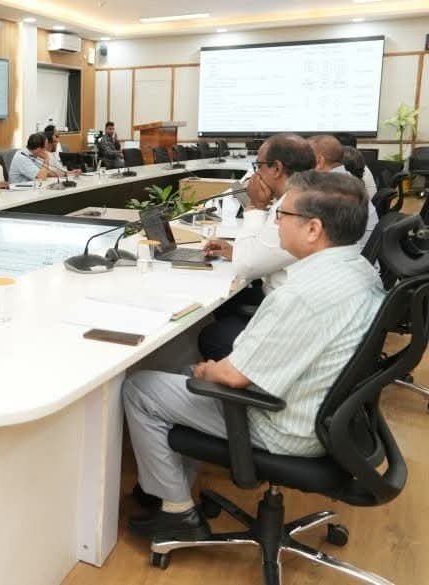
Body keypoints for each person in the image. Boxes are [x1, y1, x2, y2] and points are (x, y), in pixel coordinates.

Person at [123, 170, 384, 541]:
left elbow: (233, 377)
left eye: (282, 214)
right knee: (183, 372)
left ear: (313, 229)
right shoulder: (360, 270)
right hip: (331, 416)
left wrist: (207, 370)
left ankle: (178, 513)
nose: (276, 222)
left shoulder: (300, 295)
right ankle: (165, 489)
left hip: (287, 427)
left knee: (141, 388)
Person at [198, 134, 316, 360]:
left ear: (276, 169)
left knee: (212, 335)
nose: (255, 174)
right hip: (295, 305)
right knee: (228, 303)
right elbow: (268, 250)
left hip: (288, 319)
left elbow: (247, 266)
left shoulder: (293, 207)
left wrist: (256, 206)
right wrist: (237, 252)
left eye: (258, 165)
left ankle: (236, 373)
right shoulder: (307, 195)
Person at [308, 134, 378, 248]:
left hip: (352, 254)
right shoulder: (345, 179)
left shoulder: (331, 189)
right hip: (360, 251)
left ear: (319, 161)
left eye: (306, 158)